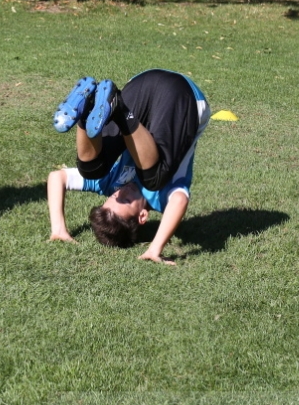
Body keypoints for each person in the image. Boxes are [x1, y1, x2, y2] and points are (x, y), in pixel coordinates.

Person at [46, 71, 209, 265]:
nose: (121, 191)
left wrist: (58, 228)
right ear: (142, 216)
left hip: (140, 87)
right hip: (181, 95)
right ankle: (120, 111)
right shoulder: (161, 199)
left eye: (114, 196)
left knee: (91, 170)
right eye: (126, 199)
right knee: (154, 180)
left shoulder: (110, 185)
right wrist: (155, 249)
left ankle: (86, 109)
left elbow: (57, 177)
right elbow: (180, 201)